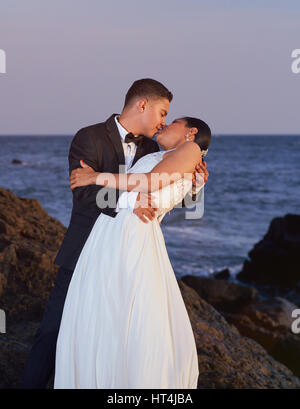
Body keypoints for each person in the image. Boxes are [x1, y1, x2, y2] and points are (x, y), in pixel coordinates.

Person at [19, 78, 207, 388]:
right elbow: (83, 193)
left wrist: (196, 184)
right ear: (142, 105)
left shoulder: (152, 147)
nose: (162, 123)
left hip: (129, 253)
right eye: (162, 113)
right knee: (55, 329)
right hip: (84, 250)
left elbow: (168, 193)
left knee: (118, 332)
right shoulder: (89, 137)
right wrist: (129, 202)